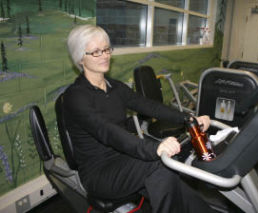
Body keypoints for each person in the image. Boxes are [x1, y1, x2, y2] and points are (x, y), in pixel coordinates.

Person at [62, 24, 215, 213]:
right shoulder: (75, 97)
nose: (104, 55)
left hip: (124, 160)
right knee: (159, 165)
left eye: (106, 49)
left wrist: (189, 119)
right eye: (96, 52)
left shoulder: (115, 87)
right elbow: (107, 131)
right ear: (80, 58)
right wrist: (153, 148)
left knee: (172, 179)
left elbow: (149, 106)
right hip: (99, 173)